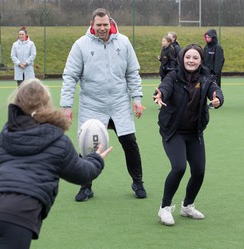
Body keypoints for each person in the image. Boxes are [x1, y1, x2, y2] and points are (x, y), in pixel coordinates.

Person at [0, 78, 113, 249]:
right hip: (17, 217)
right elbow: (81, 174)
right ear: (47, 104)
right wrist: (96, 158)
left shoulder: (4, 137)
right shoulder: (57, 140)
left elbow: (0, 162)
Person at [60, 8, 147, 201]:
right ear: (92, 25)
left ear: (111, 23)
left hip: (119, 104)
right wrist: (66, 106)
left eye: (105, 24)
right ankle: (85, 186)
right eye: (98, 25)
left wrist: (137, 99)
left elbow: (132, 72)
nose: (102, 28)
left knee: (130, 144)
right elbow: (70, 76)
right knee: (87, 148)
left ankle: (138, 182)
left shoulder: (123, 42)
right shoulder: (80, 45)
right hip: (92, 105)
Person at [153, 44, 224, 226]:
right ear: (182, 58)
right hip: (173, 131)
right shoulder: (173, 76)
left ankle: (187, 206)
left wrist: (217, 99)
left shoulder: (206, 78)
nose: (191, 61)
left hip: (194, 133)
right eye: (188, 57)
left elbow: (215, 91)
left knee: (199, 171)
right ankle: (164, 207)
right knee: (178, 168)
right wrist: (160, 94)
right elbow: (164, 87)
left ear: (200, 61)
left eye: (195, 58)